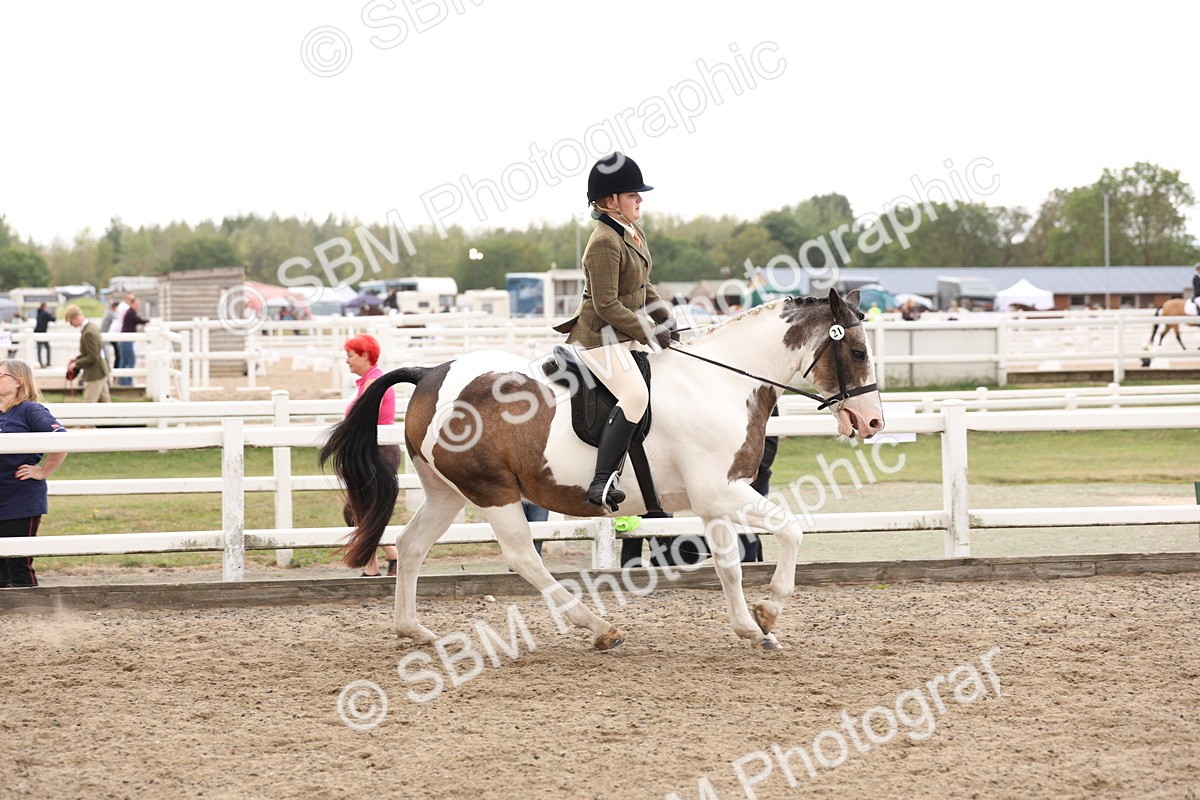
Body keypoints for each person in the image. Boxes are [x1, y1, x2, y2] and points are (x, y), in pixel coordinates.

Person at [553, 152, 674, 512]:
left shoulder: (632, 232)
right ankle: (602, 479)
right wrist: (649, 331)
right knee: (635, 396)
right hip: (597, 337)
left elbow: (643, 286)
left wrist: (665, 318)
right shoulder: (604, 241)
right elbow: (606, 304)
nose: (640, 199)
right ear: (610, 202)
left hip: (622, 335)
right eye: (633, 195)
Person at [0, 360, 68, 588]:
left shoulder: (30, 410)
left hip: (19, 496)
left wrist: (43, 471)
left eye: (0, 375)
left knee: (17, 562)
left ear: (18, 381)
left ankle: (31, 613)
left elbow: (61, 440)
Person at [342, 334, 399, 577]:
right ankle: (376, 564)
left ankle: (391, 557)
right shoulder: (371, 381)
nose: (347, 361)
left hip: (376, 452)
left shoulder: (373, 384)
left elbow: (360, 422)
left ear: (365, 356)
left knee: (359, 510)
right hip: (373, 451)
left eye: (350, 356)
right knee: (363, 510)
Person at [64, 305, 112, 403]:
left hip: (94, 374)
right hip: (101, 370)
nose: (71, 324)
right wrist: (76, 359)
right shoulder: (91, 327)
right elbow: (91, 352)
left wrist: (76, 364)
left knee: (89, 404)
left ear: (76, 318)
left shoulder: (88, 332)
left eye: (70, 321)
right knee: (106, 404)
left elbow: (92, 357)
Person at [118, 297, 149, 386]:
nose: (138, 306)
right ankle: (128, 380)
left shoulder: (130, 312)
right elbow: (139, 320)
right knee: (131, 360)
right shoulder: (131, 312)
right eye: (136, 304)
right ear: (132, 304)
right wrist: (148, 321)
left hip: (125, 339)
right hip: (126, 339)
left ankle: (123, 380)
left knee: (124, 360)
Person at [34, 303, 55, 368]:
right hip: (42, 333)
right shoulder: (45, 314)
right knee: (47, 348)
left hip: (37, 332)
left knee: (39, 349)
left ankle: (40, 363)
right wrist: (53, 314)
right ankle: (48, 362)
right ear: (44, 307)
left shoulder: (38, 313)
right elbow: (53, 319)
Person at [100, 301, 120, 366]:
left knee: (106, 355)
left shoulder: (108, 313)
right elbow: (118, 320)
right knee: (107, 356)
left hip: (104, 337)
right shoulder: (111, 314)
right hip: (105, 338)